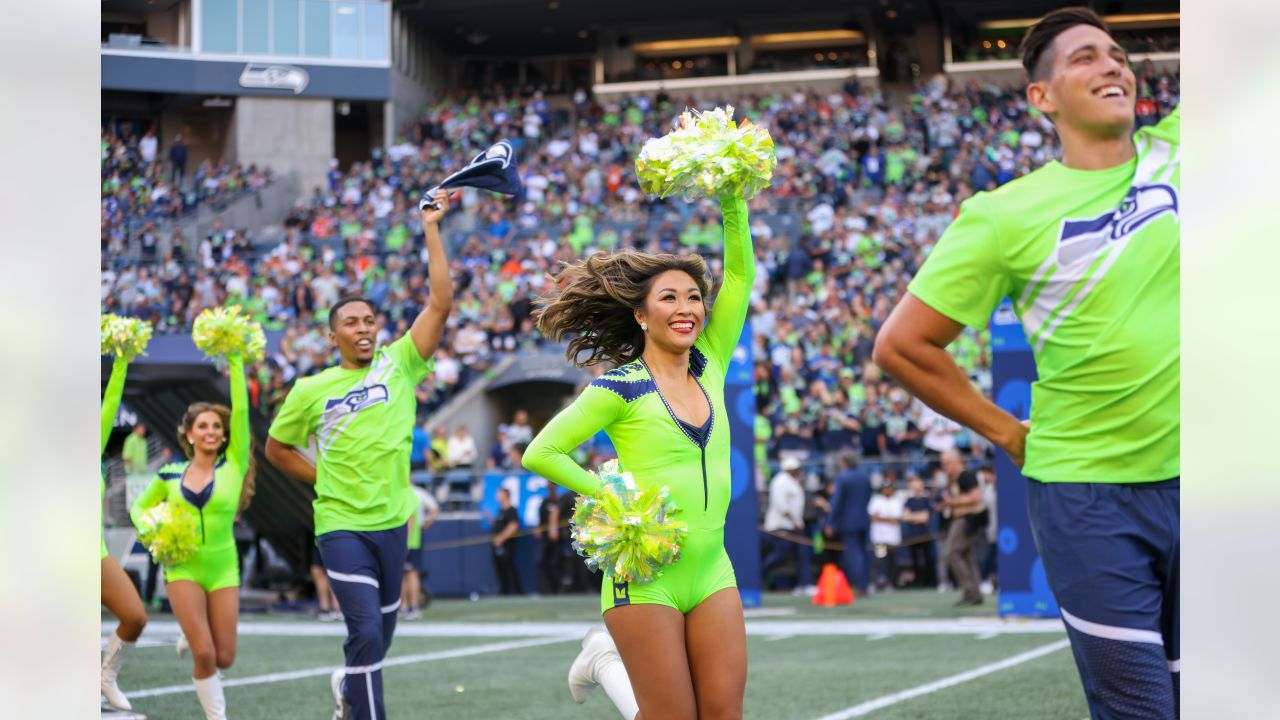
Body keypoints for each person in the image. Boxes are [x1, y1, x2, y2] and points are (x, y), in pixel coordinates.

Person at [873, 8, 1179, 718]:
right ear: (1041, 97)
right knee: (1139, 709)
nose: (1111, 65)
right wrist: (1009, 433)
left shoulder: (1188, 147)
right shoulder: (1002, 215)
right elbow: (902, 346)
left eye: (1116, 54)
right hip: (1086, 495)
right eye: (1084, 58)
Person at [523, 193, 755, 720]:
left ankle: (604, 661)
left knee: (724, 715)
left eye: (694, 297)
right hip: (645, 574)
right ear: (641, 314)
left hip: (712, 569)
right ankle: (607, 662)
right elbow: (542, 452)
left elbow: (739, 280)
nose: (686, 309)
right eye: (669, 298)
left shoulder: (711, 362)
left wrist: (732, 199)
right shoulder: (619, 387)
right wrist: (614, 496)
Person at [264, 194, 454, 720]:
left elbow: (440, 303)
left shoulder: (401, 363)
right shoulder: (310, 388)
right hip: (341, 524)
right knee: (365, 631)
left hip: (394, 522)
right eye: (351, 322)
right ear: (333, 335)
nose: (364, 328)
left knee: (378, 641)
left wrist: (431, 229)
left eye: (369, 319)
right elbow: (276, 449)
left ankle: (349, 690)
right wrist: (320, 473)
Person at [130, 352, 254, 720]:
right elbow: (138, 508)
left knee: (225, 657)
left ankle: (192, 633)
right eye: (203, 426)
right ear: (188, 433)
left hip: (222, 567)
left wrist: (235, 361)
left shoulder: (234, 465)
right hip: (181, 568)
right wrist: (153, 529)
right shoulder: (169, 474)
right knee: (205, 655)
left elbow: (243, 413)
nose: (212, 432)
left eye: (217, 426)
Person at [100, 352, 147, 712]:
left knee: (134, 616)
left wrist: (121, 360)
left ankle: (105, 677)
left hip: (92, 552)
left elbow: (111, 399)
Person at [936, 450, 985, 606]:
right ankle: (974, 592)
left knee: (952, 552)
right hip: (960, 518)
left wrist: (952, 501)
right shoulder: (954, 479)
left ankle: (969, 589)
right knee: (967, 556)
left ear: (956, 461)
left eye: (946, 463)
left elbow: (976, 497)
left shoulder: (966, 476)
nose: (944, 467)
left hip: (967, 519)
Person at [761, 456, 813, 594]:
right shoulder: (781, 481)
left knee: (802, 554)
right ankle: (760, 574)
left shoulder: (791, 481)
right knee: (781, 555)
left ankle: (804, 584)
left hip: (793, 525)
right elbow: (782, 505)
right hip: (782, 525)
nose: (797, 471)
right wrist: (795, 522)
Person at [824, 451, 872, 595]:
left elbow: (836, 502)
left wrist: (830, 522)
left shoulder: (843, 477)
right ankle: (864, 584)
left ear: (844, 462)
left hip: (848, 521)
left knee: (853, 555)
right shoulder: (864, 475)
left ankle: (858, 586)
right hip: (864, 519)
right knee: (863, 553)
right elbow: (869, 495)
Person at [402, 482, 440, 618]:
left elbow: (410, 518)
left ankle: (412, 606)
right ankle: (405, 606)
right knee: (403, 574)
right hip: (408, 538)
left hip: (410, 539)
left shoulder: (411, 492)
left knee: (411, 572)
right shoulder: (404, 491)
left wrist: (406, 541)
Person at [867, 473, 904, 592]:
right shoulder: (876, 499)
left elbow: (895, 519)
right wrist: (887, 519)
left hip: (893, 538)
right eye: (885, 488)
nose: (887, 490)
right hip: (880, 538)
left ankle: (890, 583)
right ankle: (873, 583)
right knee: (878, 560)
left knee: (892, 562)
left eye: (889, 488)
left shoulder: (896, 500)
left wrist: (881, 518)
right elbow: (873, 516)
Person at [490, 487, 523, 595]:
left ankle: (518, 591)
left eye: (499, 494)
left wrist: (501, 538)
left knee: (508, 567)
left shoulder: (511, 510)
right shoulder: (500, 511)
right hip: (497, 546)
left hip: (507, 545)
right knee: (499, 569)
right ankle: (504, 590)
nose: (497, 496)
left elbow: (513, 526)